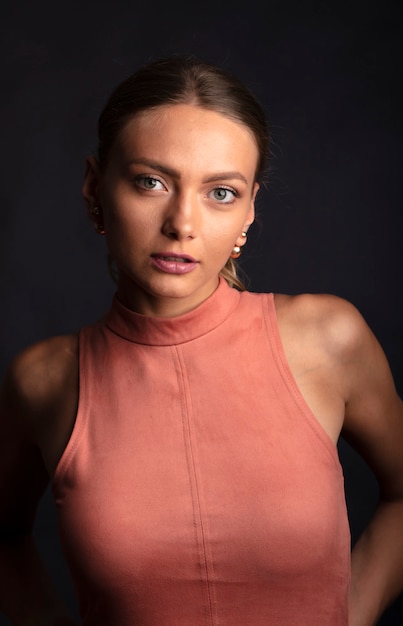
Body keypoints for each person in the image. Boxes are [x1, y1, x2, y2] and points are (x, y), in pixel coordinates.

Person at [0, 54, 402, 626]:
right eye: (151, 182)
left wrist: (351, 609)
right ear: (96, 188)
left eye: (220, 192)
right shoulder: (45, 380)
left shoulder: (327, 339)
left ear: (249, 210)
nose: (182, 222)